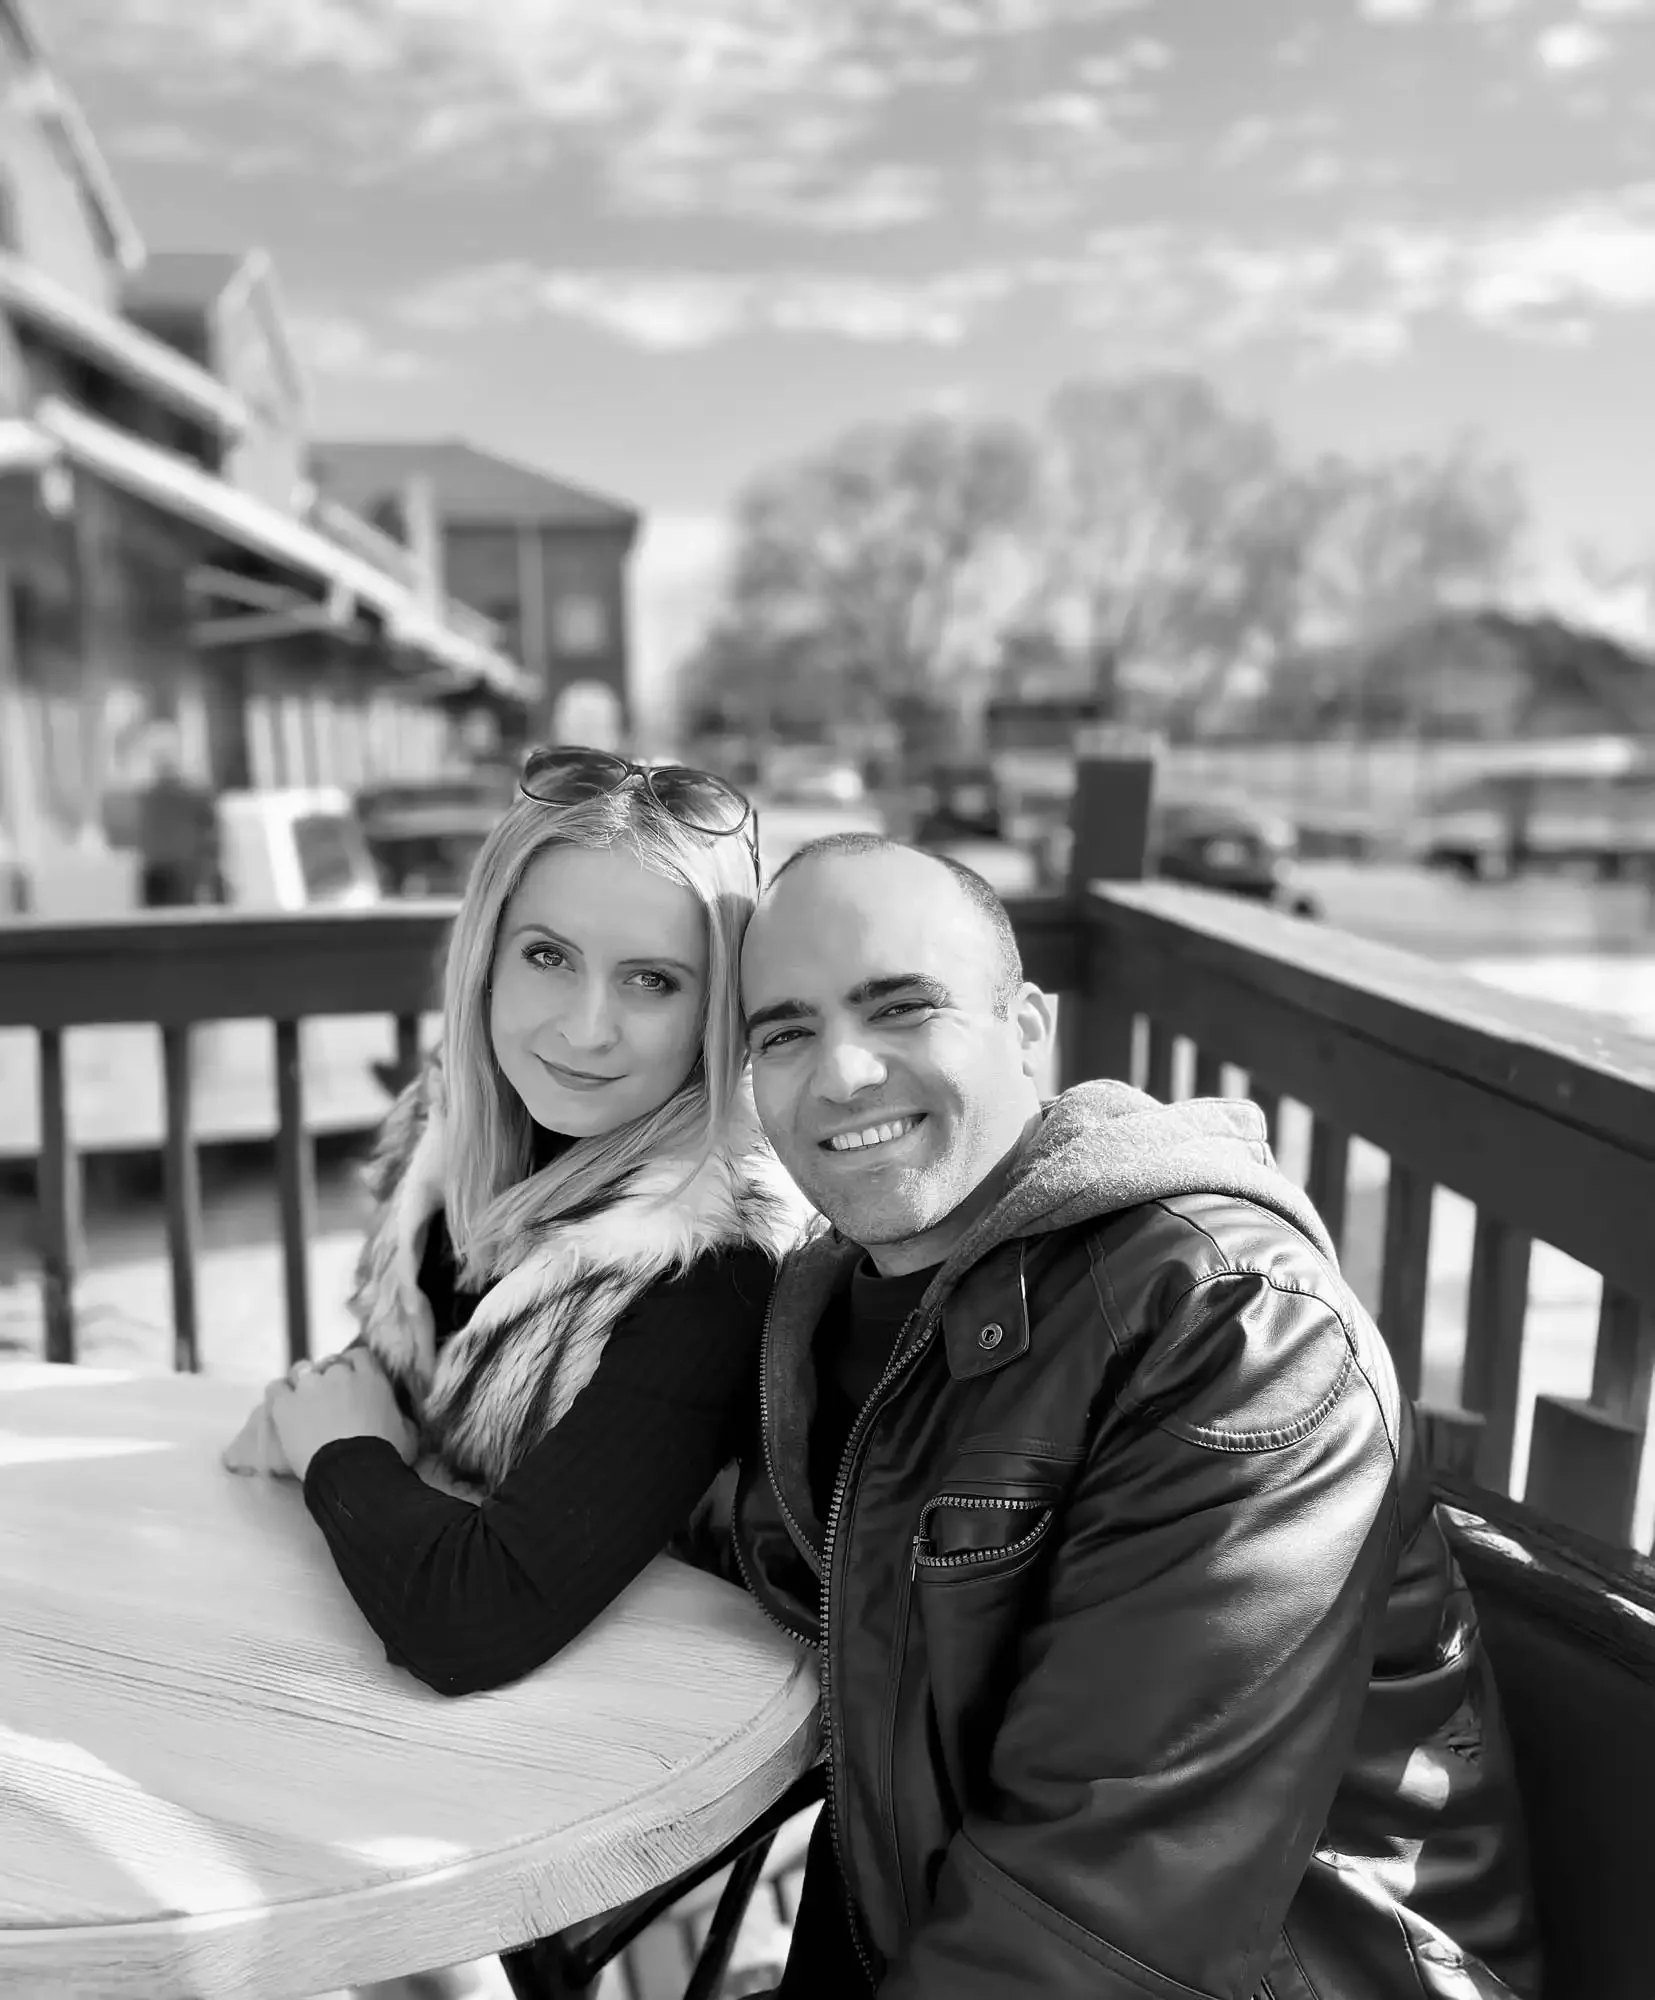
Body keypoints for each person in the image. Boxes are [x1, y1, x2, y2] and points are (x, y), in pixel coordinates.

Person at [732, 833, 1541, 2000]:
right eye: (784, 1031)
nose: (842, 1072)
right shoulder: (840, 1305)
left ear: (1025, 1028)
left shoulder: (1229, 1329)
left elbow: (1105, 1922)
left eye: (901, 1007)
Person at [221, 747, 810, 1707]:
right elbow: (424, 1379)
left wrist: (340, 1451)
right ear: (485, 961)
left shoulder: (710, 1266)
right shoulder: (451, 1138)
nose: (585, 1028)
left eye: (652, 981)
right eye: (548, 956)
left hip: (638, 1761)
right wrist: (335, 1398)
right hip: (437, 1725)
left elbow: (473, 1621)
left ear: (717, 1013)